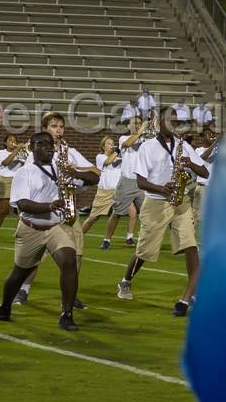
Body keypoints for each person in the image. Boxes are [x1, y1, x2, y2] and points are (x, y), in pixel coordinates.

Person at [117, 105, 209, 317]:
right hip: (156, 202)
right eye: (169, 121)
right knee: (144, 251)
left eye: (176, 122)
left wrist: (190, 164)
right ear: (159, 122)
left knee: (191, 246)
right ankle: (125, 281)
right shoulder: (147, 147)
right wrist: (161, 188)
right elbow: (141, 182)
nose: (173, 125)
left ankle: (187, 298)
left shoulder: (183, 146)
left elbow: (204, 171)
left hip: (181, 202)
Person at [0, 132, 83, 331]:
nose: (49, 147)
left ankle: (67, 314)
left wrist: (77, 173)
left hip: (55, 227)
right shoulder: (24, 172)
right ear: (32, 147)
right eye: (43, 144)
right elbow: (23, 205)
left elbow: (92, 178)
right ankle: (5, 305)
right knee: (19, 273)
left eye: (51, 144)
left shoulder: (59, 168)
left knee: (69, 260)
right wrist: (49, 206)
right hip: (31, 229)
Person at [10, 113, 99, 308]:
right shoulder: (34, 151)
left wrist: (74, 170)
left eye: (61, 126)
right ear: (45, 129)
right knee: (32, 259)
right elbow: (30, 177)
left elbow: (95, 172)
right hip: (39, 212)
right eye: (54, 126)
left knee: (75, 255)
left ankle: (70, 295)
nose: (58, 130)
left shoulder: (70, 151)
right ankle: (23, 290)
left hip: (67, 210)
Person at [104, 114, 148, 250]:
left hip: (142, 181)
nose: (137, 125)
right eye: (134, 123)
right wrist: (142, 131)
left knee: (147, 215)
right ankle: (107, 239)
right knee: (117, 212)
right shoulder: (124, 138)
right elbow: (129, 143)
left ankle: (142, 241)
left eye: (139, 123)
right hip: (126, 181)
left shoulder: (146, 141)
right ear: (128, 126)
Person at [81, 135, 121, 237]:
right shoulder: (100, 157)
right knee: (93, 218)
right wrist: (117, 151)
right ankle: (78, 236)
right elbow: (108, 161)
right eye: (108, 143)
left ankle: (108, 240)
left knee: (130, 212)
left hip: (119, 192)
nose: (111, 145)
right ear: (103, 147)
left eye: (112, 143)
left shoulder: (119, 158)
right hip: (105, 192)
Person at [0, 134, 24, 241]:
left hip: (19, 181)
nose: (13, 142)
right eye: (10, 140)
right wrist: (17, 150)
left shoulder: (21, 154)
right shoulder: (2, 153)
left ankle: (19, 235)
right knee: (3, 211)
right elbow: (6, 163)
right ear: (5, 143)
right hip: (6, 180)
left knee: (22, 211)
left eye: (15, 140)